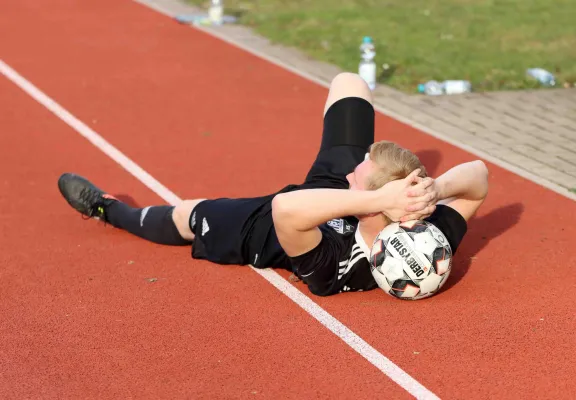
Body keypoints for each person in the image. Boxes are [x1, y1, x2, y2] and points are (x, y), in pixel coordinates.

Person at [58, 73, 489, 296]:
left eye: (362, 166)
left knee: (188, 213)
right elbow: (480, 178)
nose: (355, 163)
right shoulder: (423, 227)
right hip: (346, 196)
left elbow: (288, 209)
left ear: (369, 200)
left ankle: (106, 209)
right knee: (350, 84)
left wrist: (375, 194)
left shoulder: (335, 264)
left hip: (267, 230)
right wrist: (435, 185)